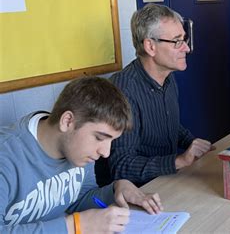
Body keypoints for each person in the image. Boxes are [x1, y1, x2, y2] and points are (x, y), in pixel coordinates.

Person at [0, 76, 162, 233]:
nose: (105, 153)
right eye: (99, 138)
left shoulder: (79, 151)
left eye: (111, 141)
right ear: (67, 121)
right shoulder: (6, 156)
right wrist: (76, 226)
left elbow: (76, 200)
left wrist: (115, 189)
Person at [95, 4, 213, 187]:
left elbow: (167, 123)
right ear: (150, 46)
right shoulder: (123, 90)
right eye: (177, 41)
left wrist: (193, 143)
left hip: (165, 182)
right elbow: (120, 166)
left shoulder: (168, 77)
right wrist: (179, 161)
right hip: (134, 195)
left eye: (184, 39)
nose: (187, 49)